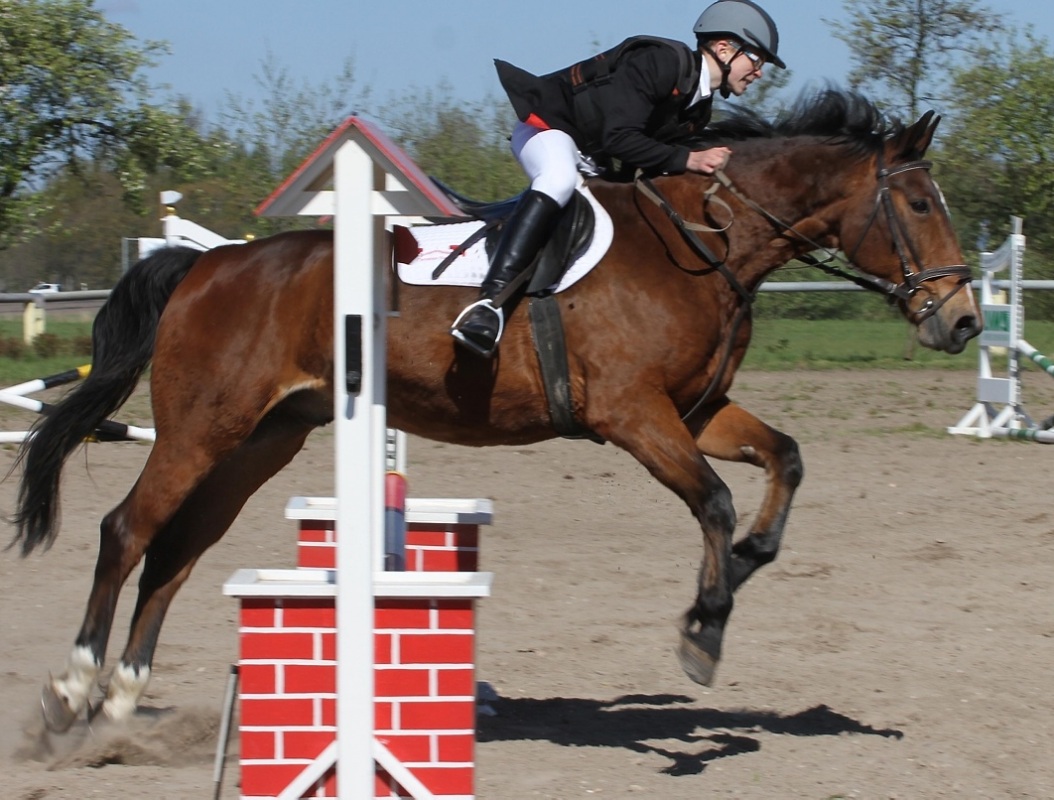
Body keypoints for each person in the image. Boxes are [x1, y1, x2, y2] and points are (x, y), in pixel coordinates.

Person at [450, 0, 785, 358]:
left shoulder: (698, 109)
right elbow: (619, 138)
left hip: (593, 157)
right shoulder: (661, 61)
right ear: (723, 48)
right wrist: (689, 158)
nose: (759, 71)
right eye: (757, 59)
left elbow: (642, 162)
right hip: (550, 128)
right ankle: (487, 305)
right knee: (559, 178)